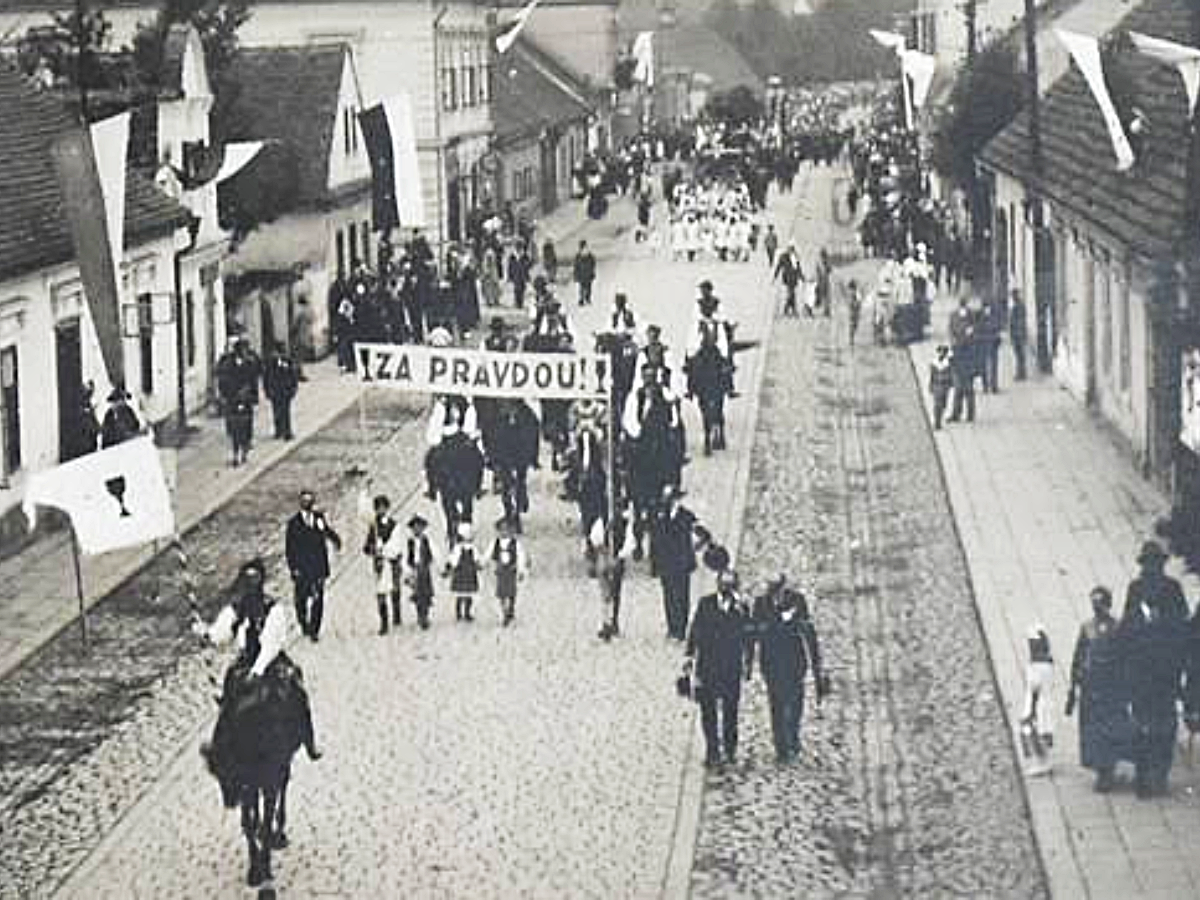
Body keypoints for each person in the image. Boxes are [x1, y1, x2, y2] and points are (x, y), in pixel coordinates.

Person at [194, 558, 321, 761]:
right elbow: (221, 633)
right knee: (229, 697)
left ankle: (309, 740)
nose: (250, 586)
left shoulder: (273, 609)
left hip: (272, 663)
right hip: (245, 662)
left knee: (297, 691)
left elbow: (271, 643)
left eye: (254, 581)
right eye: (247, 581)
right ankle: (220, 746)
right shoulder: (236, 609)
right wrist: (206, 633)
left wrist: (258, 670)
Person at [683, 568, 751, 767]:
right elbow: (695, 630)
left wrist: (747, 662)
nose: (727, 589)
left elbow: (749, 636)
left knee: (731, 711)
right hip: (708, 665)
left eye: (731, 586)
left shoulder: (741, 607)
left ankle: (730, 750)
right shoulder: (706, 604)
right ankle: (712, 750)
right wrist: (689, 657)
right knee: (708, 711)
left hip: (731, 666)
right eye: (724, 585)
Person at [1065, 586, 1130, 793]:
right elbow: (1078, 658)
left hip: (1111, 688)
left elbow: (1125, 658)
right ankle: (1101, 769)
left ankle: (1107, 769)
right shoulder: (1088, 628)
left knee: (1109, 729)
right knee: (1095, 730)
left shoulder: (1117, 628)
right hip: (1093, 688)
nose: (1097, 607)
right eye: (1094, 603)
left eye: (1100, 603)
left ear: (1108, 604)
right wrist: (1073, 687)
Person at [757, 577, 827, 762]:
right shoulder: (761, 604)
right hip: (772, 663)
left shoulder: (797, 600)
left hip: (794, 662)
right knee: (777, 705)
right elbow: (758, 630)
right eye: (771, 589)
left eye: (777, 588)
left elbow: (807, 630)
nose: (774, 593)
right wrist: (781, 620)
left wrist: (817, 665)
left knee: (795, 703)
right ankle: (781, 747)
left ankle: (793, 736)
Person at [284, 490, 343, 641]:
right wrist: (293, 568)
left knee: (318, 599)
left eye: (310, 500)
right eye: (304, 501)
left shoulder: (318, 518)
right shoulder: (293, 524)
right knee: (301, 600)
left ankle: (314, 629)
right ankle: (304, 624)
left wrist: (336, 540)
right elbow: (289, 549)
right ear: (300, 503)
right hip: (302, 568)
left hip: (318, 566)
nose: (307, 503)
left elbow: (326, 531)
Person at [651, 485, 698, 641]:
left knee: (681, 596)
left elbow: (695, 536)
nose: (668, 502)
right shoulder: (660, 515)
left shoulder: (686, 516)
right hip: (666, 562)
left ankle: (681, 628)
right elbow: (655, 540)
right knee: (669, 595)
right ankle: (671, 627)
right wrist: (655, 562)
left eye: (671, 499)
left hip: (681, 563)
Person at [363, 494, 404, 635]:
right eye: (378, 508)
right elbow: (367, 546)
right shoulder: (373, 526)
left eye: (383, 507)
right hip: (380, 564)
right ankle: (384, 623)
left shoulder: (394, 525)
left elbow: (398, 545)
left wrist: (388, 549)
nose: (381, 510)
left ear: (387, 508)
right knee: (380, 593)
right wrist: (372, 549)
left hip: (393, 562)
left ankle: (397, 615)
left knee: (395, 589)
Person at [1020, 624, 1055, 776]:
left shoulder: (1037, 667)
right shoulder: (1047, 662)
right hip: (1046, 701)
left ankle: (1042, 761)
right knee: (1043, 732)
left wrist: (1030, 711)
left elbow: (1035, 689)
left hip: (1038, 703)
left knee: (1032, 731)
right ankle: (1044, 759)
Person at [1123, 540, 1189, 623]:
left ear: (1162, 562)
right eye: (1149, 561)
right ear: (1144, 564)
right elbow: (1129, 616)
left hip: (1169, 628)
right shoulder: (1135, 588)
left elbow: (1183, 613)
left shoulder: (1173, 586)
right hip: (1143, 629)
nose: (1153, 564)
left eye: (1156, 559)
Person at [489, 517, 529, 626]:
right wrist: (481, 563)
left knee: (511, 592)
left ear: (511, 530)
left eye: (506, 529)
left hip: (511, 570)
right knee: (501, 593)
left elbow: (521, 557)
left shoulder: (516, 544)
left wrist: (521, 570)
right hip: (500, 571)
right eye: (501, 530)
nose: (504, 532)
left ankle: (511, 607)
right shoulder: (495, 543)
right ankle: (504, 612)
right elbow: (488, 554)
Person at [445, 520, 481, 622]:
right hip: (463, 572)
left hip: (466, 573)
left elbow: (476, 558)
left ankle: (465, 613)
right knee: (461, 595)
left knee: (466, 595)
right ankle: (461, 613)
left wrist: (478, 564)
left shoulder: (471, 548)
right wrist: (450, 566)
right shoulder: (459, 548)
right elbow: (454, 559)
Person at [263, 342, 299, 441]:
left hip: (286, 390)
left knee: (286, 412)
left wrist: (294, 388)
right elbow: (267, 377)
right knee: (276, 412)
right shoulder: (271, 362)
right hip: (275, 390)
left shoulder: (288, 360)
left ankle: (287, 431)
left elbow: (293, 375)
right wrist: (267, 390)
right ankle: (278, 431)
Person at [405, 514, 436, 629]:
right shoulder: (410, 541)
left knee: (426, 593)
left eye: (419, 527)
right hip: (415, 569)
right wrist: (410, 568)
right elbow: (408, 556)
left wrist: (429, 562)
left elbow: (431, 553)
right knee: (417, 594)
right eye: (415, 527)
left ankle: (425, 616)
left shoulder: (426, 540)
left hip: (425, 569)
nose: (417, 529)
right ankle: (419, 615)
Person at [929, 345, 953, 430]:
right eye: (940, 352)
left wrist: (950, 384)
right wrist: (931, 385)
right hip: (937, 385)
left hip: (944, 386)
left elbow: (950, 376)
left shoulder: (948, 364)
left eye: (943, 352)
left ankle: (938, 419)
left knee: (943, 404)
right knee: (937, 404)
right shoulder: (934, 363)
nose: (941, 354)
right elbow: (932, 376)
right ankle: (937, 422)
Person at [1009, 289, 1028, 381]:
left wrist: (1016, 334)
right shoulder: (1019, 305)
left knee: (1019, 355)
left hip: (1018, 334)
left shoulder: (1018, 306)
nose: (1013, 298)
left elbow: (1018, 321)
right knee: (1019, 355)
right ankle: (1021, 373)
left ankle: (1021, 374)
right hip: (1018, 333)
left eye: (1013, 296)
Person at [573, 240, 596, 306]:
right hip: (582, 275)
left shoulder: (589, 255)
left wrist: (592, 272)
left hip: (587, 274)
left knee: (588, 287)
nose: (584, 248)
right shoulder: (579, 256)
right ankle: (582, 299)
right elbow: (576, 266)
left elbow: (593, 264)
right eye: (583, 247)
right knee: (582, 288)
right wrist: (576, 275)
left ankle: (587, 298)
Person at [847, 280, 862, 347]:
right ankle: (851, 339)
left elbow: (859, 302)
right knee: (852, 324)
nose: (851, 291)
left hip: (855, 311)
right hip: (852, 311)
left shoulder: (857, 294)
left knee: (854, 325)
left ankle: (851, 338)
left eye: (851, 289)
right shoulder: (851, 294)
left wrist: (855, 304)